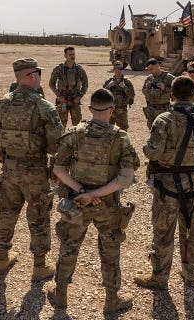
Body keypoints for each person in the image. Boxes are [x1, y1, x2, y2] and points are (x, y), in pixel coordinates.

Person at [46, 89, 140, 313]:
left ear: (89, 109)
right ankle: (111, 300)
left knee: (69, 245)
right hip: (106, 205)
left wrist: (82, 190)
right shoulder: (120, 138)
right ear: (112, 110)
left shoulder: (74, 133)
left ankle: (61, 295)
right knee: (110, 249)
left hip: (76, 201)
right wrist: (96, 194)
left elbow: (58, 168)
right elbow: (125, 178)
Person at [134, 76, 194, 289]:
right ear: (192, 95)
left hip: (168, 186)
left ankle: (159, 277)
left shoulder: (164, 120)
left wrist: (146, 149)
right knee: (192, 230)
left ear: (171, 95)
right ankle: (190, 274)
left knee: (163, 232)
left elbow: (153, 153)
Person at [0, 58, 63, 280]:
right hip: (35, 170)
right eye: (38, 74)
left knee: (7, 213)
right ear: (31, 76)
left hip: (9, 169)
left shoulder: (1, 105)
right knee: (38, 217)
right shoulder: (44, 107)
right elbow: (57, 146)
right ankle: (39, 266)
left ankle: (2, 259)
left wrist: (2, 158)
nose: (39, 78)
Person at [49, 46, 89, 127]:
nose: (72, 56)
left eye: (73, 54)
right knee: (61, 125)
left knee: (77, 125)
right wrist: (59, 96)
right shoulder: (59, 69)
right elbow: (51, 84)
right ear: (65, 56)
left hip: (75, 100)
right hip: (63, 101)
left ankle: (76, 139)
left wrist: (80, 96)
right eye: (70, 54)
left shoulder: (79, 69)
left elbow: (85, 83)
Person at [142, 58, 175, 129]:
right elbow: (143, 90)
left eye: (151, 69)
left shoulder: (169, 78)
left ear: (157, 66)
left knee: (164, 130)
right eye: (149, 70)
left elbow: (177, 92)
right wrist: (148, 88)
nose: (150, 71)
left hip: (163, 110)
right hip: (151, 110)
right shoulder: (149, 78)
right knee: (152, 130)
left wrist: (165, 88)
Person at [103, 60, 135, 131]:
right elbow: (102, 95)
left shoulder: (127, 82)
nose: (118, 70)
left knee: (123, 132)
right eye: (116, 68)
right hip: (110, 110)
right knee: (108, 131)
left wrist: (124, 87)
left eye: (120, 68)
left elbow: (132, 95)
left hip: (122, 110)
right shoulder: (108, 82)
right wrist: (108, 87)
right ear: (113, 69)